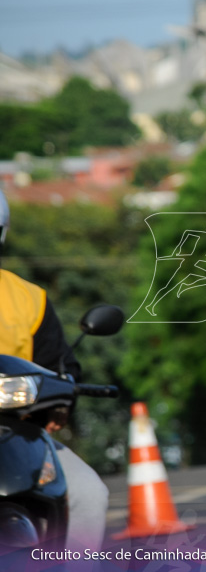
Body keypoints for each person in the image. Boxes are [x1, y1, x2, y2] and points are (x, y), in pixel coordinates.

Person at [0, 190, 110, 550]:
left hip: (17, 435)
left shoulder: (27, 298)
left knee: (89, 495)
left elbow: (61, 366)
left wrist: (63, 396)